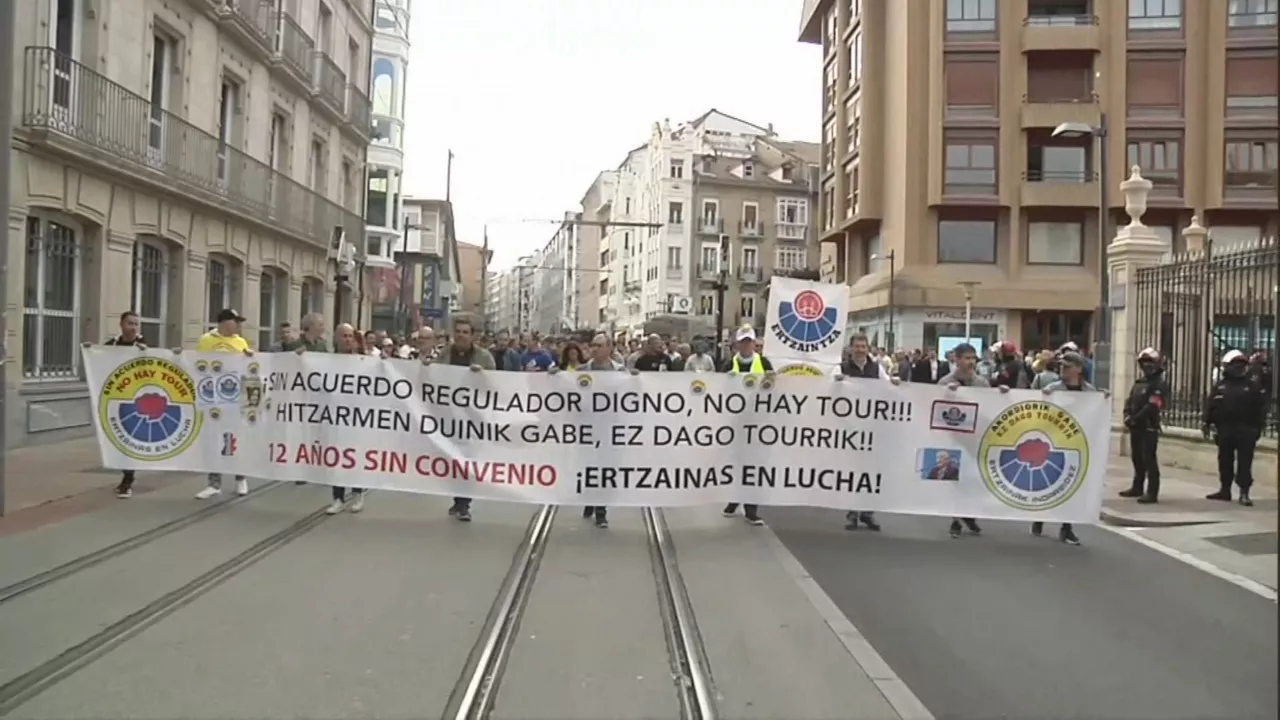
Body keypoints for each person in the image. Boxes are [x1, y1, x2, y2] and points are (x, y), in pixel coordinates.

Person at [426, 317, 496, 521]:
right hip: (449, 417)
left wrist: (482, 375)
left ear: (472, 335)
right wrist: (426, 368)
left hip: (473, 419)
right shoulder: (444, 354)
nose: (461, 335)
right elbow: (434, 379)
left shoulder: (484, 357)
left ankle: (464, 503)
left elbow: (496, 384)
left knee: (468, 461)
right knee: (452, 460)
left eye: (466, 332)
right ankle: (458, 500)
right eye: (458, 332)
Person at [938, 342, 1010, 539]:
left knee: (973, 480)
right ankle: (955, 520)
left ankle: (967, 514)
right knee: (956, 479)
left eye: (973, 358)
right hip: (953, 438)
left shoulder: (981, 383)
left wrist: (1002, 395)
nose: (970, 362)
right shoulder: (945, 382)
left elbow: (989, 407)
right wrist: (947, 394)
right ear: (957, 359)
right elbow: (934, 408)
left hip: (974, 439)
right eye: (966, 358)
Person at [561, 333, 630, 528]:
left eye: (599, 345)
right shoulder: (582, 371)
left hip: (609, 429)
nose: (595, 349)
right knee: (587, 467)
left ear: (609, 348)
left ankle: (601, 510)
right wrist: (553, 378)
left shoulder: (620, 372)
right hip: (587, 429)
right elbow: (566, 392)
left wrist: (635, 381)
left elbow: (631, 396)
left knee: (605, 468)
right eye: (593, 345)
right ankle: (590, 499)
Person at [835, 333, 901, 531]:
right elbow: (830, 389)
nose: (860, 350)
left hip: (872, 428)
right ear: (851, 348)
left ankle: (867, 512)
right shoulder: (842, 368)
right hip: (850, 428)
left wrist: (894, 383)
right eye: (857, 346)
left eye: (863, 346)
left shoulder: (876, 368)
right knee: (852, 472)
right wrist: (837, 382)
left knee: (870, 472)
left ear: (868, 348)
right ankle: (852, 514)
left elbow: (888, 386)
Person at [84, 312, 148, 498]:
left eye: (136, 324)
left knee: (129, 441)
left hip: (135, 401)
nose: (134, 327)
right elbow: (99, 360)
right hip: (115, 399)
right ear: (121, 325)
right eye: (130, 323)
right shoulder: (112, 346)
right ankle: (125, 477)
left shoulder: (143, 347)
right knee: (118, 440)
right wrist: (90, 351)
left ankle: (128, 481)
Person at [192, 309, 253, 499]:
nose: (238, 325)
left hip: (234, 398)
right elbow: (197, 363)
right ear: (225, 322)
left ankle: (240, 478)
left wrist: (250, 358)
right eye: (236, 322)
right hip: (213, 398)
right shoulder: (206, 340)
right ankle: (214, 483)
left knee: (234, 439)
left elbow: (248, 368)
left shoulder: (240, 342)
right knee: (213, 440)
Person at [1038, 352, 1095, 545]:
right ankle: (1039, 516)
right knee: (1048, 483)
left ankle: (1067, 527)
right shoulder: (1051, 389)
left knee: (1071, 485)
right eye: (1061, 366)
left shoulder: (1089, 392)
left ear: (1079, 369)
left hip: (1075, 445)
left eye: (1068, 366)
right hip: (1052, 443)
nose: (1063, 369)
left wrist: (1103, 399)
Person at [720, 327, 773, 526]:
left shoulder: (764, 362)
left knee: (754, 465)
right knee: (735, 463)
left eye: (749, 341)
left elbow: (773, 387)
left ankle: (751, 509)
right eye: (743, 342)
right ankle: (734, 500)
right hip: (735, 422)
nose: (746, 345)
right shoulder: (728, 364)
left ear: (753, 343)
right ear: (737, 344)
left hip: (757, 422)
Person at [1203, 349, 1268, 507]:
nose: (1237, 368)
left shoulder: (1252, 387)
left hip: (1245, 430)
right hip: (1225, 429)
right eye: (1234, 364)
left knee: (1245, 462)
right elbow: (1210, 405)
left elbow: (1261, 409)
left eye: (1241, 364)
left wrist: (1257, 428)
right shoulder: (1220, 386)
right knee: (1224, 460)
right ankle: (1225, 490)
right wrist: (1206, 423)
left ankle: (1244, 493)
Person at [1120, 347, 1167, 504]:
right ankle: (1137, 487)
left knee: (1149, 459)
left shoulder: (1159, 384)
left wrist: (1137, 418)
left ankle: (1152, 492)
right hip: (1135, 426)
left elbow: (1154, 404)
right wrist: (1127, 415)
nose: (1147, 365)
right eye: (1144, 362)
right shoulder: (1139, 383)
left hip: (1148, 426)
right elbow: (1129, 400)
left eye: (1150, 362)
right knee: (1137, 458)